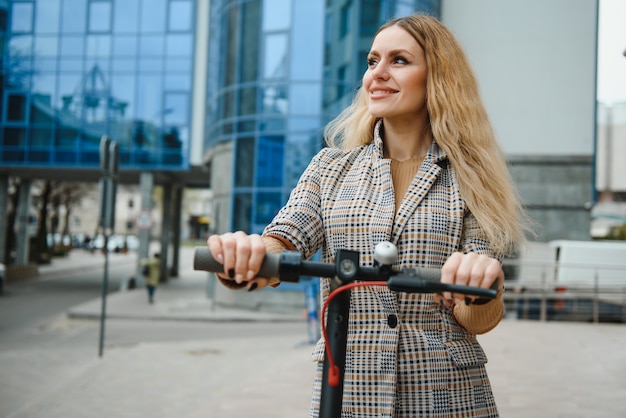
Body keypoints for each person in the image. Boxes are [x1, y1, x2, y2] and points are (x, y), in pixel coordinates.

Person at [208, 13, 531, 417]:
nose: (377, 73)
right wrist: (249, 253)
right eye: (372, 60)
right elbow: (283, 239)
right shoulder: (330, 167)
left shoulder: (470, 179)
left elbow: (476, 315)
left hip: (447, 397)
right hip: (347, 393)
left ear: (438, 77)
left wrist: (484, 281)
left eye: (399, 60)